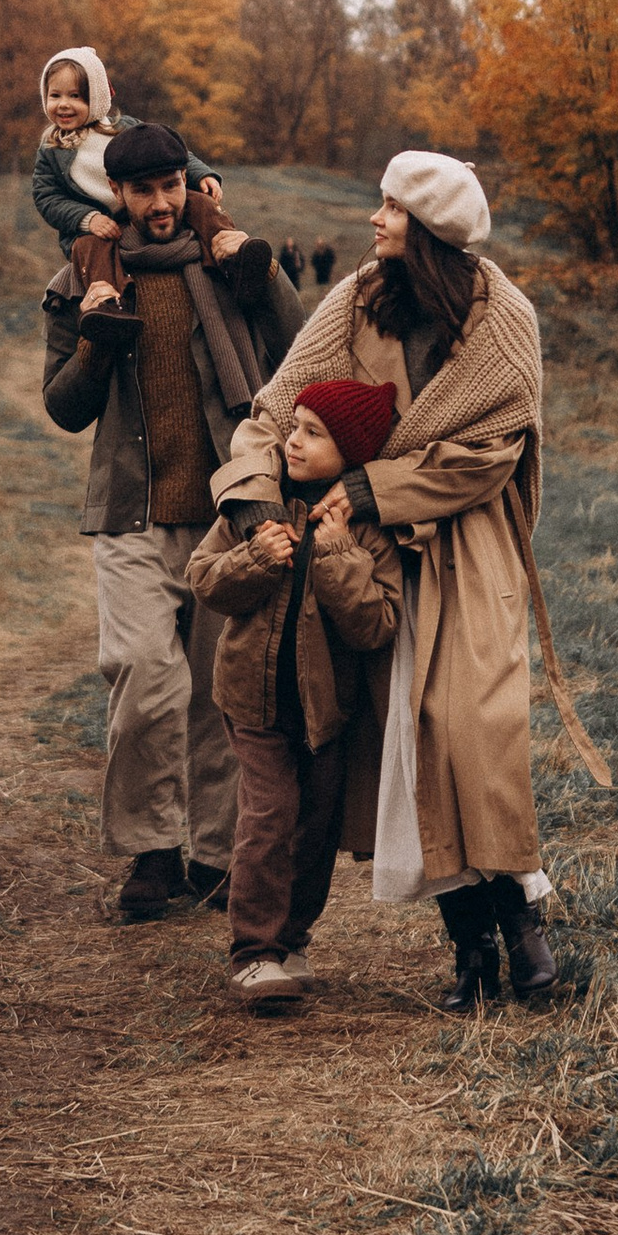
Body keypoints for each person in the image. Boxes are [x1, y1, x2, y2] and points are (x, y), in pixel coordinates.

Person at [215, 150, 606, 1010]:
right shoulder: (357, 298)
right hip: (368, 555)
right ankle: (469, 952)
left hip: (469, 548)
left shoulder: (505, 322)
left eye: (390, 207)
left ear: (427, 227)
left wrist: (365, 487)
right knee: (409, 747)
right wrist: (249, 499)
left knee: (473, 729)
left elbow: (490, 454)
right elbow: (278, 405)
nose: (374, 219)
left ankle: (526, 938)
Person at [42, 122, 303, 921]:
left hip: (230, 514)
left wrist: (257, 273)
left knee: (220, 697)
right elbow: (62, 405)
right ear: (114, 198)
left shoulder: (232, 263)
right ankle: (151, 852)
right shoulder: (81, 280)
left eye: (171, 186)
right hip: (130, 514)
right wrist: (95, 340)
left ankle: (218, 859)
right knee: (144, 679)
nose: (160, 204)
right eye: (143, 190)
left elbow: (298, 350)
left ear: (189, 184)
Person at [187, 383, 403, 1008]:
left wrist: (335, 551)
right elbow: (203, 578)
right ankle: (253, 954)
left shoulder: (366, 531)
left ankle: (291, 939)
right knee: (269, 814)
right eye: (295, 426)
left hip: (326, 710)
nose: (293, 441)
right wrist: (255, 558)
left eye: (313, 433)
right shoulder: (257, 504)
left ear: (352, 455)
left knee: (315, 826)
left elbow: (376, 625)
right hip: (253, 701)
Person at [32, 48, 222, 302]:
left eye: (75, 96)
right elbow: (47, 197)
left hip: (142, 209)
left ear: (97, 98)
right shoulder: (51, 149)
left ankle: (228, 252)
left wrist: (201, 175)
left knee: (201, 204)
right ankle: (108, 302)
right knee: (90, 248)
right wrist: (86, 219)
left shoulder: (124, 129)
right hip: (98, 225)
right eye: (55, 95)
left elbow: (171, 152)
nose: (63, 104)